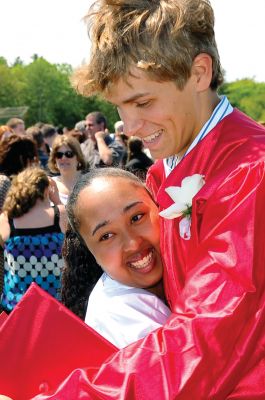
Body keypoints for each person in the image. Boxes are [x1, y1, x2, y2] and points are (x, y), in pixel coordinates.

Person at [7, 0, 265, 398]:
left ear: (199, 73)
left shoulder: (251, 172)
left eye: (143, 102)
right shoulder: (168, 169)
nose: (130, 126)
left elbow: (208, 337)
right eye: (120, 107)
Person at [61, 168, 170, 348]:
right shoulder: (119, 315)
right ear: (90, 251)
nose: (133, 243)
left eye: (136, 217)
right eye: (106, 236)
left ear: (157, 203)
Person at [0, 166, 67, 312]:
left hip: (18, 304)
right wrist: (57, 200)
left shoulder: (5, 220)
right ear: (46, 189)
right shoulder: (60, 214)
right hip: (57, 302)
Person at [48, 134, 87, 205]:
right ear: (54, 160)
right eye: (59, 155)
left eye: (69, 154)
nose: (63, 158)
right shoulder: (49, 185)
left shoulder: (90, 183)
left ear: (78, 158)